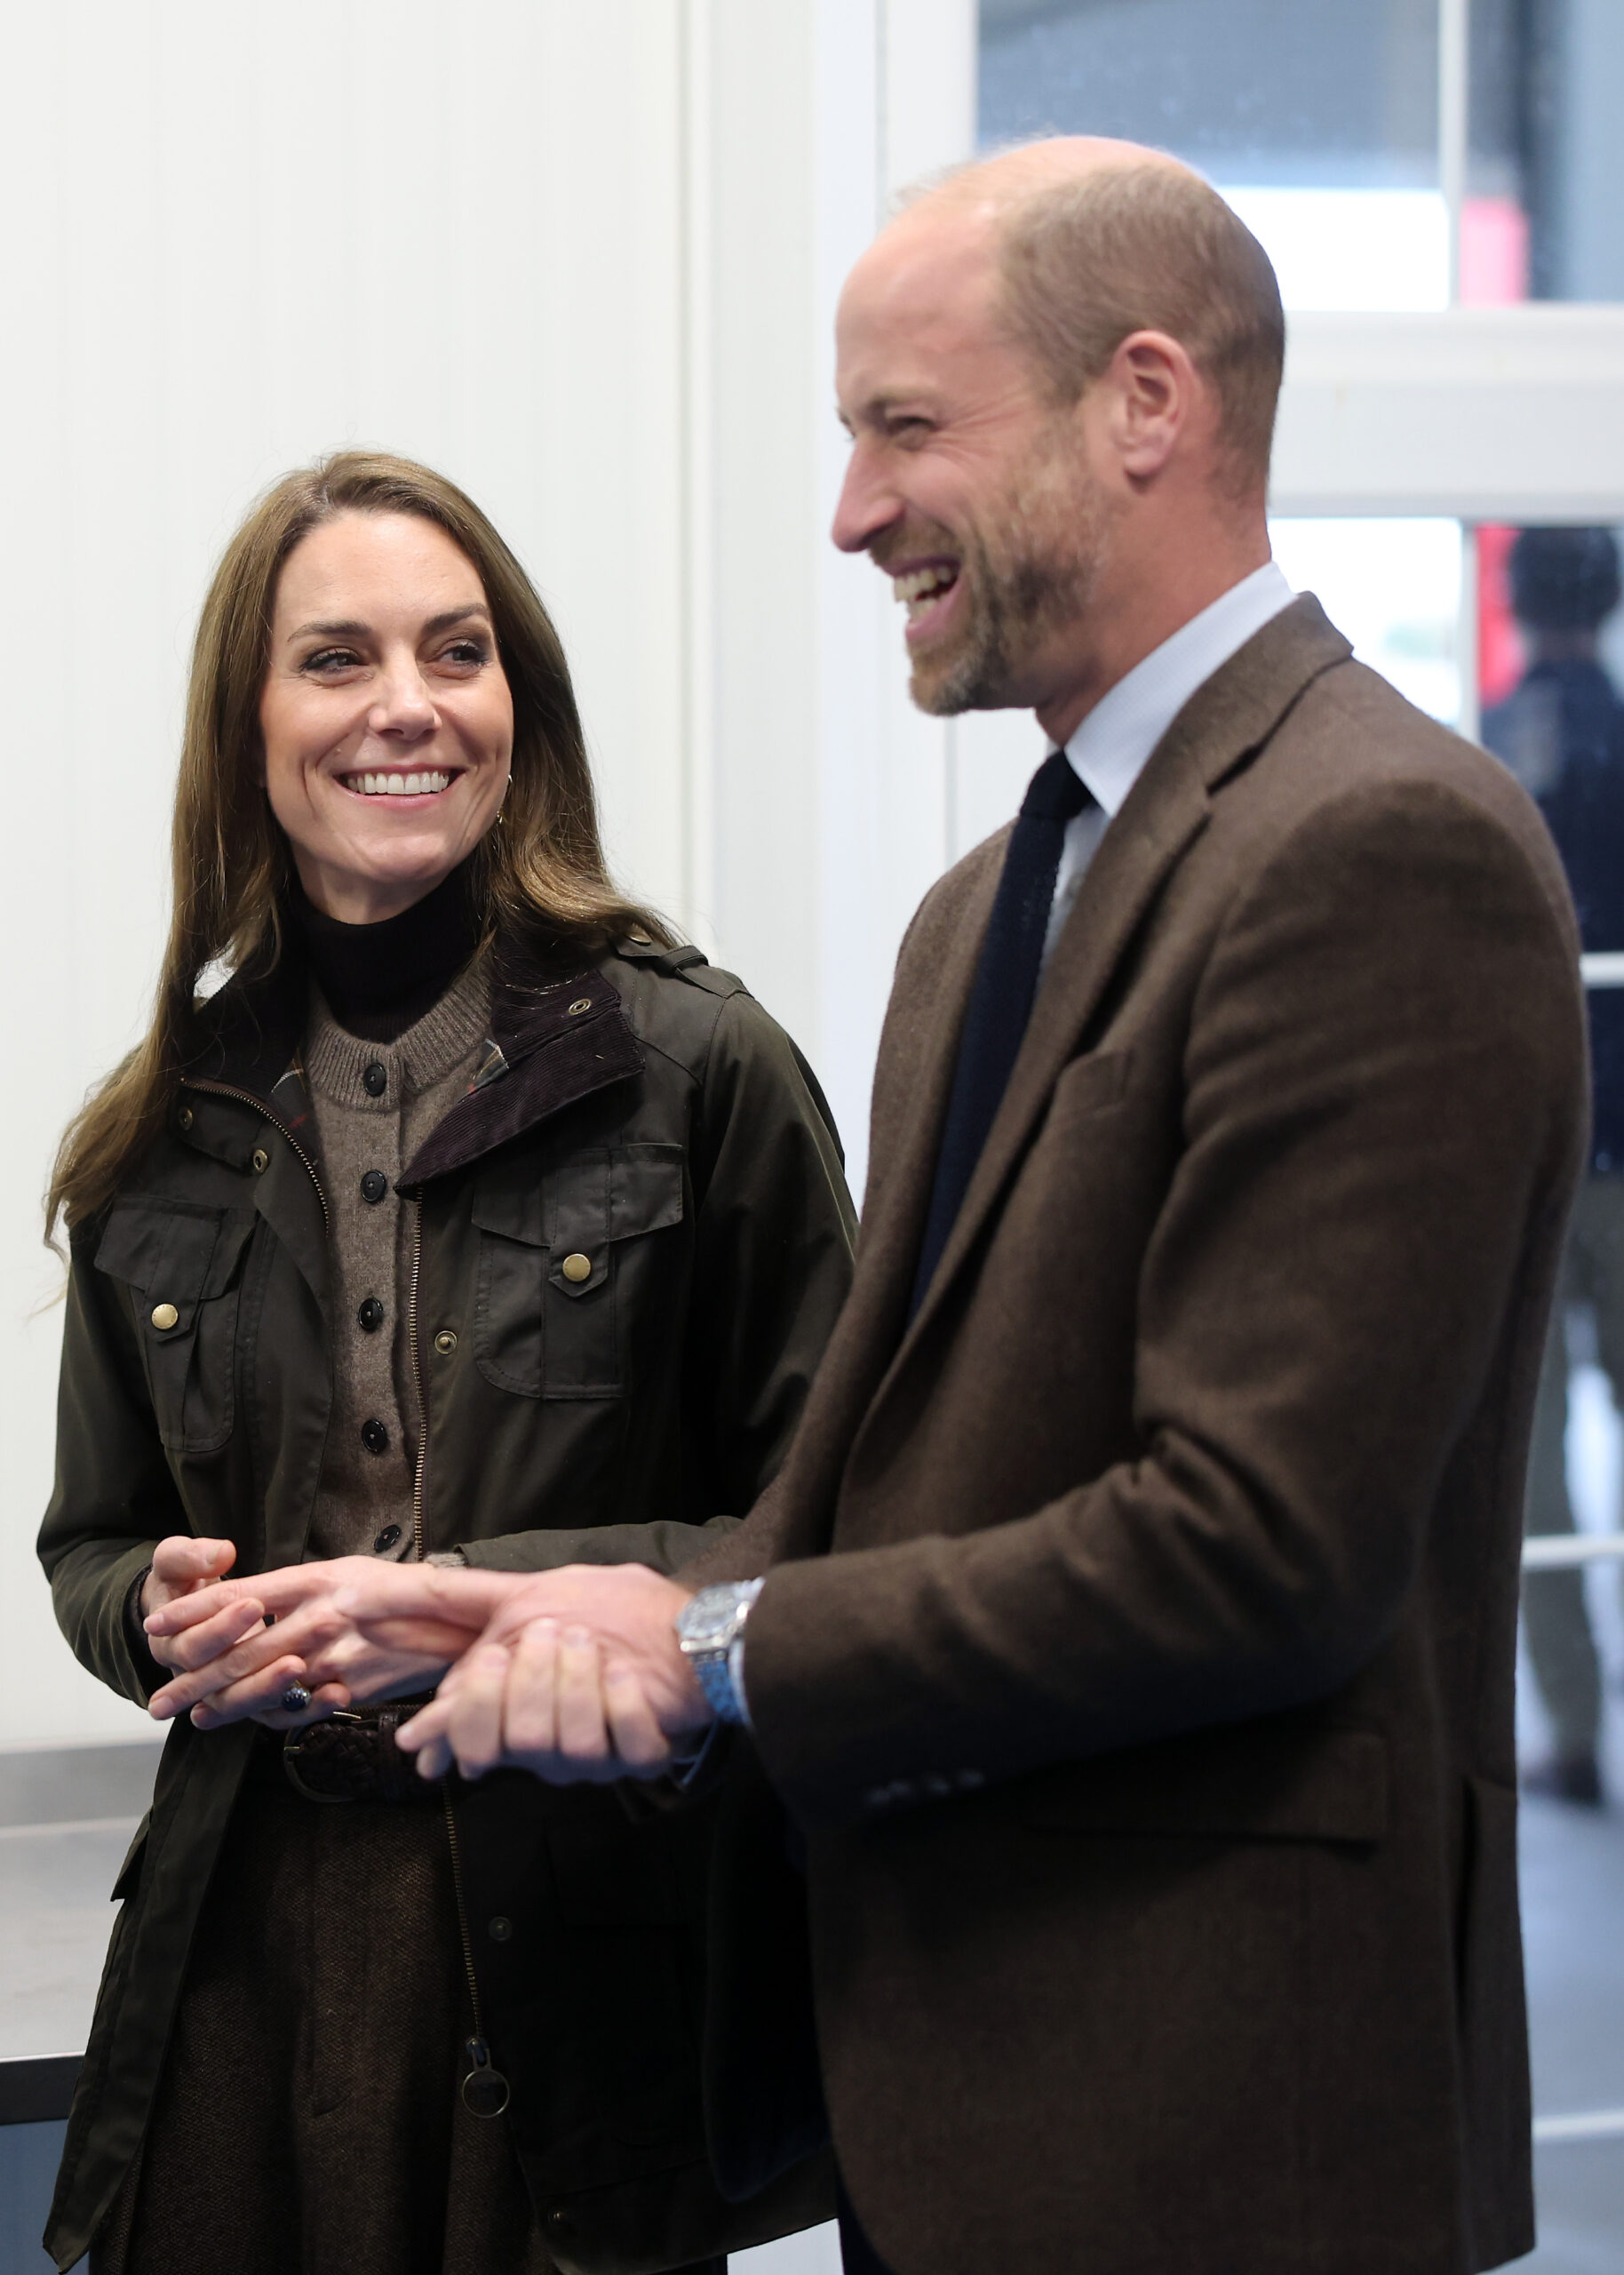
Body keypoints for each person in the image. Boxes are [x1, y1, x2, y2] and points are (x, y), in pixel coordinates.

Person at [167, 146, 1587, 2275]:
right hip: (952, 2102)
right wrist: (539, 1598)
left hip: (1215, 2129)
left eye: (902, 427)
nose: (849, 511)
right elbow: (870, 1505)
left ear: (1142, 404)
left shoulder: (1379, 843)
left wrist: (709, 1647)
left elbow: (1253, 1552)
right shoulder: (978, 912)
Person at [37, 451, 852, 2275]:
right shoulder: (161, 1126)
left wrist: (470, 1602)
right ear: (247, 730)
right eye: (336, 657)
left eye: (456, 650)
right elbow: (87, 1540)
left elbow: (838, 1528)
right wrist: (147, 1611)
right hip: (235, 1940)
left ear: (516, 709)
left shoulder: (699, 1068)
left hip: (570, 1940)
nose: (405, 703)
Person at [1482, 526, 1624, 1805]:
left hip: (1544, 1148)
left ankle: (1575, 1727)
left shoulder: (1494, 744)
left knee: (1533, 1473)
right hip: (1622, 1151)